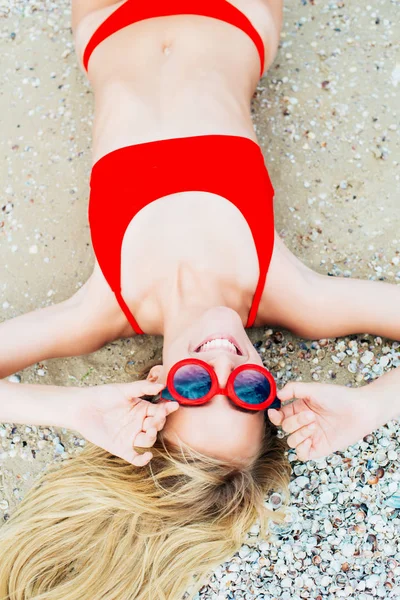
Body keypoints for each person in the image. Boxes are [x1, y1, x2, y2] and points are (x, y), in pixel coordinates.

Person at [0, 0, 399, 598]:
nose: (224, 364)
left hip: (108, 20)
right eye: (247, 391)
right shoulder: (292, 292)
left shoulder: (103, 307)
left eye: (193, 387)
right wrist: (371, 407)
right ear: (269, 385)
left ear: (158, 382)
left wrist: (71, 410)